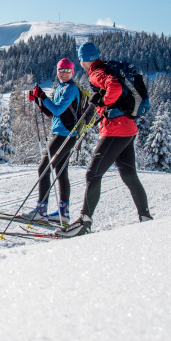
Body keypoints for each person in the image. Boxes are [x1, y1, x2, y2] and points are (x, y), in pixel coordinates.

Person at [57, 41, 152, 238]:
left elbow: (114, 87)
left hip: (116, 130)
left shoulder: (96, 73)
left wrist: (103, 101)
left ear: (82, 60)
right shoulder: (106, 67)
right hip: (128, 128)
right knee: (129, 176)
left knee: (92, 174)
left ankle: (84, 222)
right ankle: (145, 218)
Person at [20, 58, 85, 224]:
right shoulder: (60, 88)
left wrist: (42, 95)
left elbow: (57, 109)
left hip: (66, 135)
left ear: (73, 72)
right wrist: (37, 100)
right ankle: (63, 213)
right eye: (61, 70)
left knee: (44, 168)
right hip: (64, 134)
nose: (63, 73)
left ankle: (41, 211)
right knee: (61, 172)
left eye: (67, 70)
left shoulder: (70, 88)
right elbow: (52, 113)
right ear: (57, 72)